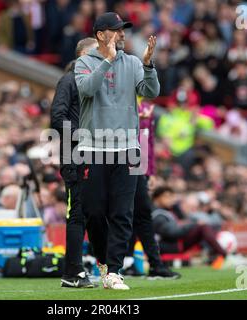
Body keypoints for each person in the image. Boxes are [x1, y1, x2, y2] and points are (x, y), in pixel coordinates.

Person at [74, 12, 160, 290]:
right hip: (93, 147)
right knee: (95, 212)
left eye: (123, 30)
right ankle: (103, 260)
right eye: (117, 30)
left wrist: (148, 65)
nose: (122, 34)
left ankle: (114, 270)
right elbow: (87, 89)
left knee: (123, 212)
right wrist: (108, 61)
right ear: (101, 35)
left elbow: (151, 92)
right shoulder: (84, 62)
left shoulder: (133, 62)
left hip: (128, 148)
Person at [51, 37, 98, 288]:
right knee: (77, 213)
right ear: (82, 55)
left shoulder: (92, 85)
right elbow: (56, 118)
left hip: (92, 155)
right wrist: (84, 136)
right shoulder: (69, 81)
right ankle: (73, 272)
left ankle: (94, 266)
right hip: (75, 156)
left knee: (92, 213)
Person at [124, 98, 181, 279]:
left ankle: (129, 263)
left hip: (140, 169)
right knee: (139, 216)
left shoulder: (147, 108)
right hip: (126, 165)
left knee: (137, 217)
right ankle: (152, 264)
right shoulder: (124, 103)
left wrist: (150, 171)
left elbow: (147, 143)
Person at [151, 188, 228, 269]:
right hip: (168, 246)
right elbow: (172, 232)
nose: (170, 200)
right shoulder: (158, 215)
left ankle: (215, 256)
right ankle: (223, 255)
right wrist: (193, 224)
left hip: (174, 243)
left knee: (203, 228)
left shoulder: (169, 211)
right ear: (157, 198)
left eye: (171, 197)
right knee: (202, 227)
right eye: (167, 197)